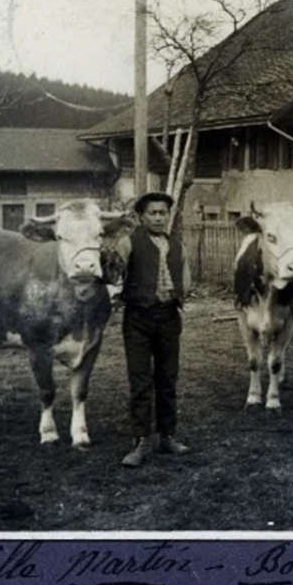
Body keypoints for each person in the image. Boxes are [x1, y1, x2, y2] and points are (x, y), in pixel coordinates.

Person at [116, 191, 192, 467]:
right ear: (141, 216)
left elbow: (185, 278)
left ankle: (167, 436)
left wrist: (178, 294)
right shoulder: (128, 243)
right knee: (140, 381)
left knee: (167, 378)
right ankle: (141, 441)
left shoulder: (177, 245)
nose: (159, 218)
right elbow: (115, 275)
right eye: (153, 213)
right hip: (138, 318)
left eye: (163, 213)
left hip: (169, 317)